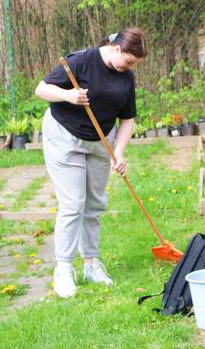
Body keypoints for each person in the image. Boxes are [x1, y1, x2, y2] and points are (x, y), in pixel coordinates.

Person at [35, 28, 147, 298]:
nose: (131, 67)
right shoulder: (81, 61)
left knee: (95, 204)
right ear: (117, 49)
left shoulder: (126, 77)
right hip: (65, 138)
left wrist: (118, 153)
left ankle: (91, 264)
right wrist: (68, 96)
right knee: (73, 204)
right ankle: (63, 269)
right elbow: (41, 89)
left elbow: (128, 119)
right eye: (129, 61)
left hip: (100, 141)